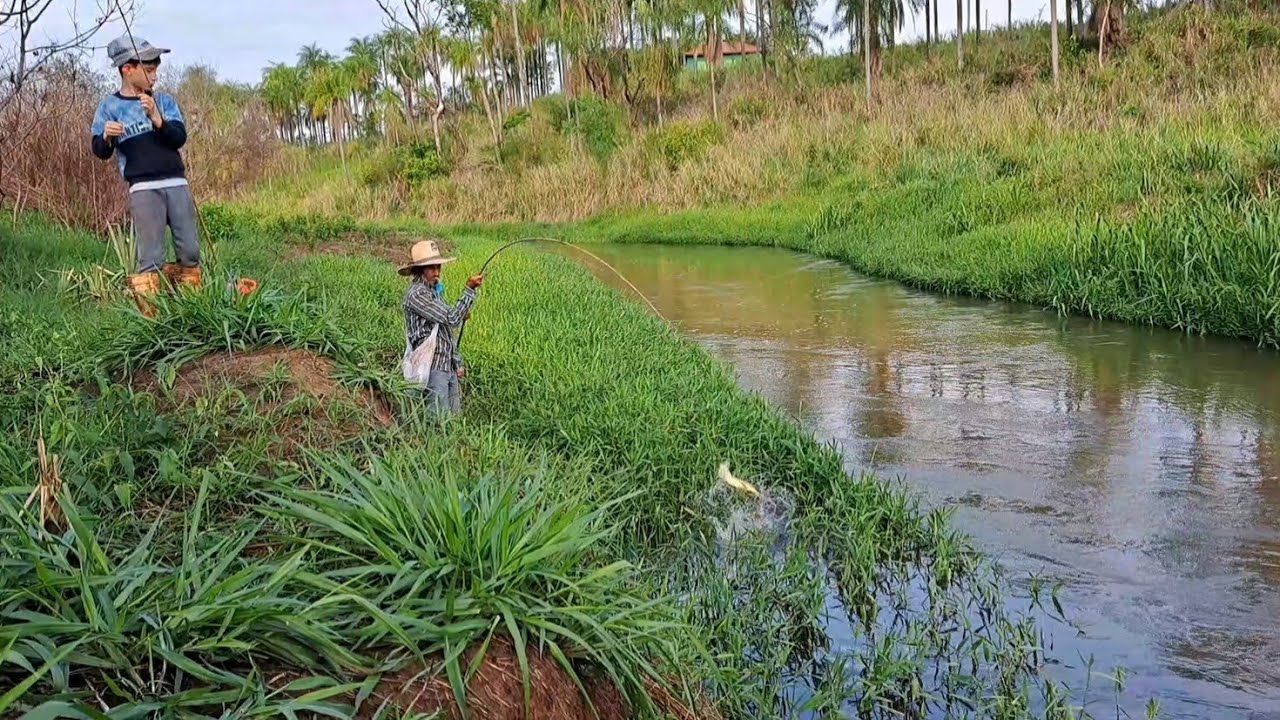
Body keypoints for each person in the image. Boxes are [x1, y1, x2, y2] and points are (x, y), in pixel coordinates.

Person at [90, 34, 200, 317]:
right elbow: (100, 151)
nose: (154, 76)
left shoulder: (164, 101)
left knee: (189, 250)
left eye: (155, 70)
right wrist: (106, 136)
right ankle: (153, 322)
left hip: (177, 183)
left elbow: (178, 138)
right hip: (142, 189)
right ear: (128, 69)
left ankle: (191, 312)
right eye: (148, 70)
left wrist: (158, 120)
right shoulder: (109, 107)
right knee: (150, 257)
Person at [399, 239, 484, 417]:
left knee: (454, 419)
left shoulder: (434, 292)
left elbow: (446, 330)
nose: (436, 272)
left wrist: (457, 363)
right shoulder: (417, 295)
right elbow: (452, 318)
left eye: (438, 267)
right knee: (437, 420)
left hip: (448, 366)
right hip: (433, 366)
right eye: (431, 268)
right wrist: (469, 290)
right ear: (420, 270)